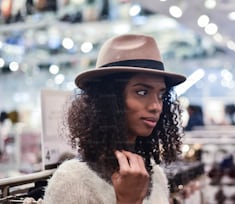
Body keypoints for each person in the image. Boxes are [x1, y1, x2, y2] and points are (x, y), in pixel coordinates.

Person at [43, 34, 186, 204]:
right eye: (142, 92)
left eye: (161, 95)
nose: (156, 106)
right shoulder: (72, 181)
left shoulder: (156, 176)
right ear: (109, 98)